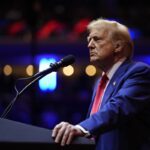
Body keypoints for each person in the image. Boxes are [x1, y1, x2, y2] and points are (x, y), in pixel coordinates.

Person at [52, 18, 150, 150]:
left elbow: (118, 107)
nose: (89, 45)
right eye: (89, 40)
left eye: (96, 39)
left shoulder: (139, 72)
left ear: (118, 46)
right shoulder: (100, 81)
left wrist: (81, 128)